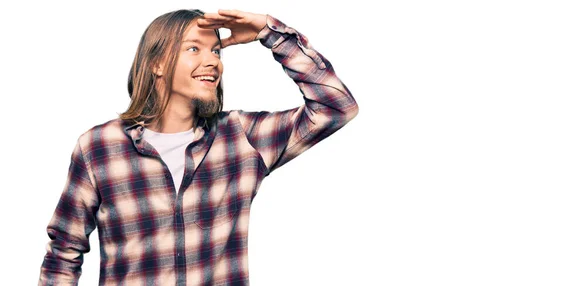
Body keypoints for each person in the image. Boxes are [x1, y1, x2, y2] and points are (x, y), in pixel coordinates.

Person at [38, 8, 358, 285]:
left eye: (216, 52)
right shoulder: (99, 147)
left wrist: (268, 31)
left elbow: (336, 107)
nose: (212, 62)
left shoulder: (241, 137)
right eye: (194, 49)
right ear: (157, 64)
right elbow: (64, 252)